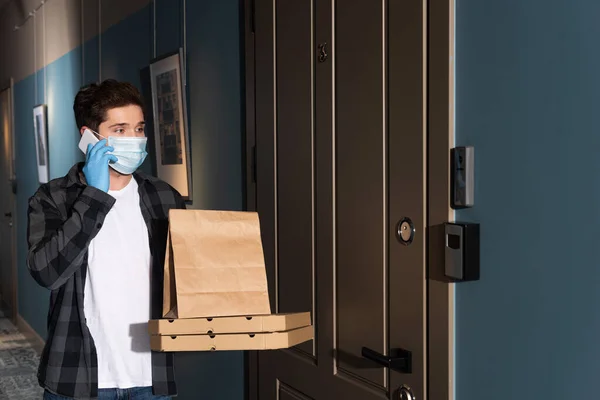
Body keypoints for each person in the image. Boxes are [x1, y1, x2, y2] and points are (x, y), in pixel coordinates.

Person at [27, 79, 184, 399]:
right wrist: (95, 196)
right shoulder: (53, 198)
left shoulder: (163, 196)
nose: (135, 140)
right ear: (88, 137)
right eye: (120, 130)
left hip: (151, 379)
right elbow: (46, 272)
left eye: (139, 129)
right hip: (78, 378)